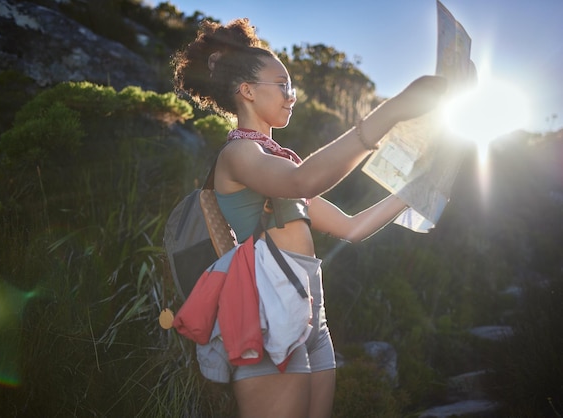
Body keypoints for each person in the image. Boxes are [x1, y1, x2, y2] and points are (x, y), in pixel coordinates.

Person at [172, 18, 446, 418]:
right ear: (247, 91)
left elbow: (352, 227)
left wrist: (417, 189)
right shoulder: (239, 155)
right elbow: (305, 178)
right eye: (281, 85)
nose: (290, 95)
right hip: (268, 313)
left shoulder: (278, 162)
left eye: (291, 86)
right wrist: (393, 111)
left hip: (311, 313)